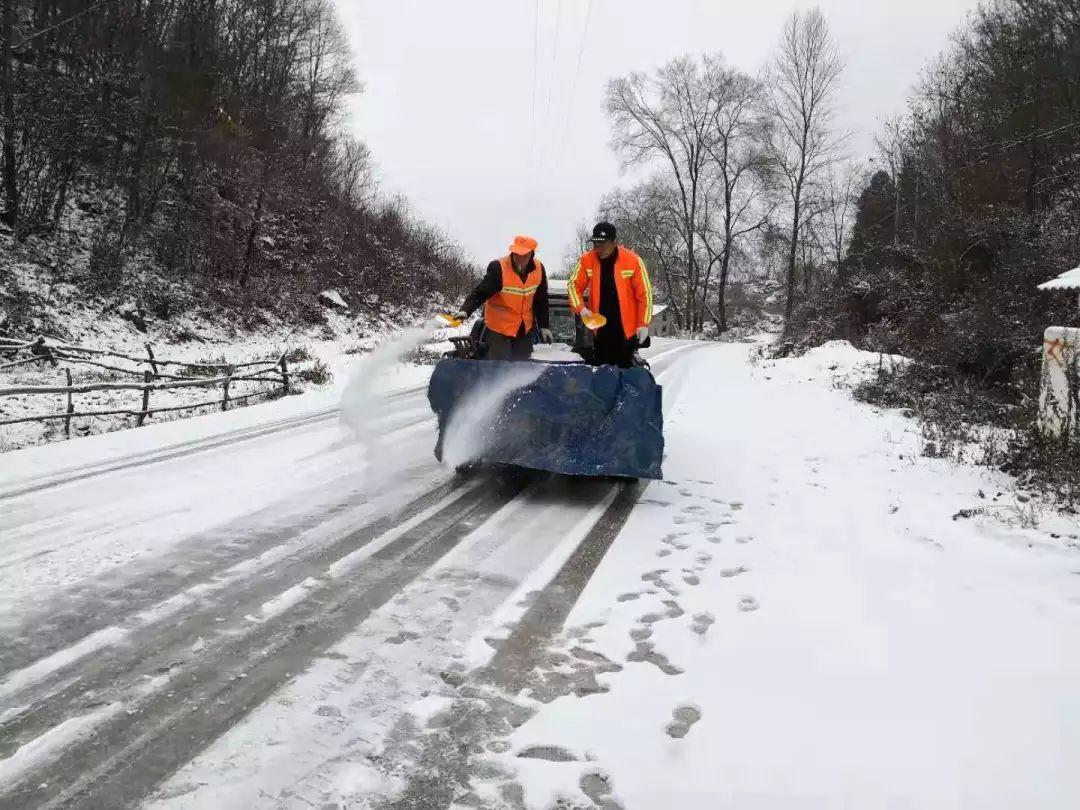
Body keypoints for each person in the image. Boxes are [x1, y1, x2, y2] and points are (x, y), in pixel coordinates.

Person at [568, 222, 653, 368]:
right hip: (601, 332)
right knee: (603, 377)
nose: (598, 248)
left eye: (602, 244)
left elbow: (645, 295)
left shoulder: (632, 261)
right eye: (595, 244)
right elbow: (573, 285)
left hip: (627, 333)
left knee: (625, 378)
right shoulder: (586, 260)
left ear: (613, 242)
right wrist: (581, 309)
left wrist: (643, 324)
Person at [453, 235, 552, 361]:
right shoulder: (498, 268)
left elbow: (541, 300)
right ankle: (492, 380)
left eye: (524, 256)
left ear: (532, 255)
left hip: (523, 328)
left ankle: (520, 381)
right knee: (496, 365)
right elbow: (480, 293)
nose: (519, 259)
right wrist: (465, 310)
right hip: (498, 328)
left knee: (524, 365)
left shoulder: (539, 270)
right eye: (516, 254)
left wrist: (544, 326)